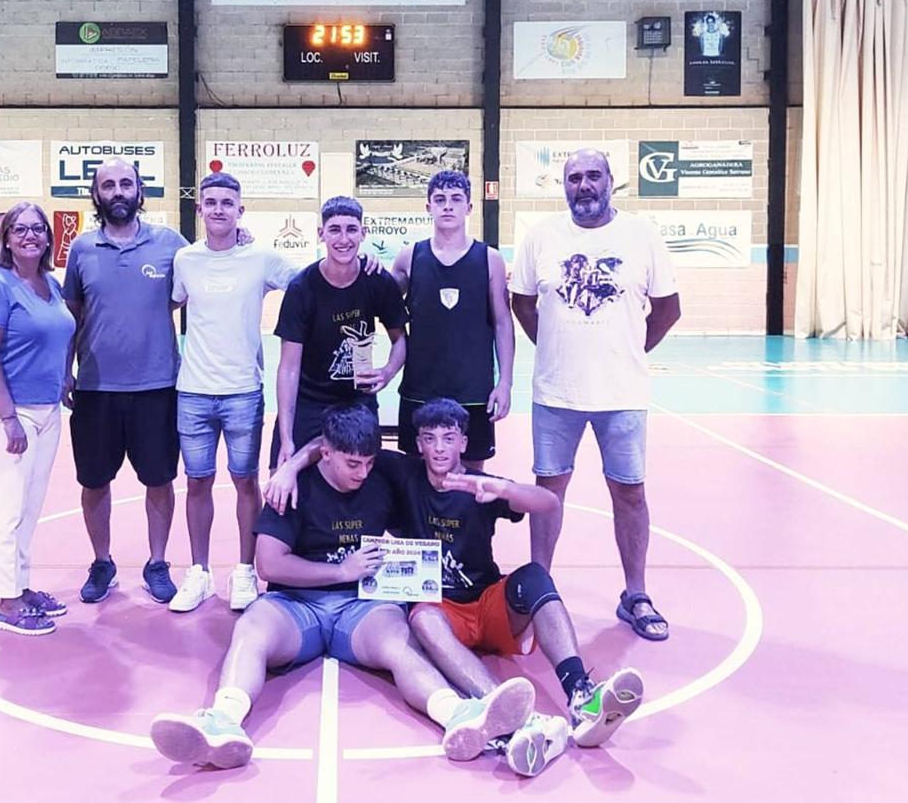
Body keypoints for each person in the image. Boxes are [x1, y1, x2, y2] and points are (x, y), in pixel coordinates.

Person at [267, 398, 644, 776]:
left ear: (464, 442)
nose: (439, 448)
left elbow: (548, 503)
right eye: (430, 438)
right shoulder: (401, 472)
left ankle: (581, 693)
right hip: (441, 611)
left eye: (449, 438)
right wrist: (290, 467)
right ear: (418, 444)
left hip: (486, 602)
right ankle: (501, 707)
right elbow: (333, 443)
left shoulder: (480, 485)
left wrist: (501, 488)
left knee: (535, 577)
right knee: (420, 618)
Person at [150, 404, 535, 770]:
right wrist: (340, 570)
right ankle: (223, 721)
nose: (362, 472)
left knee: (400, 641)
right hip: (295, 605)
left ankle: (458, 715)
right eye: (353, 464)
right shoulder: (293, 488)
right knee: (251, 628)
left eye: (369, 462)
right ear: (327, 454)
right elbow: (268, 563)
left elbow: (431, 489)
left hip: (362, 605)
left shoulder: (381, 477)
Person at [509, 148, 681, 641]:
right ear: (564, 186)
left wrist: (628, 349)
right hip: (556, 393)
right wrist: (556, 346)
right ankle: (539, 591)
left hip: (622, 393)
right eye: (574, 178)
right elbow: (522, 304)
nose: (583, 186)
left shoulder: (642, 236)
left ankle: (636, 594)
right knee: (548, 492)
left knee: (630, 492)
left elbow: (668, 310)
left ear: (610, 181)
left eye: (593, 176)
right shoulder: (541, 236)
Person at [167, 172, 295, 613]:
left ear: (241, 210)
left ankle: (244, 571)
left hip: (243, 390)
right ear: (199, 208)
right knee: (196, 481)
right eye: (211, 202)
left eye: (227, 203)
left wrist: (361, 260)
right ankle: (199, 572)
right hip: (193, 391)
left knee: (245, 481)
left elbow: (308, 281)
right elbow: (170, 301)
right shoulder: (185, 259)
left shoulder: (261, 259)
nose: (219, 209)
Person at [62, 158, 187, 606]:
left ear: (140, 192)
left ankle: (158, 563)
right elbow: (71, 316)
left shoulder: (170, 244)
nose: (118, 191)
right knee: (94, 481)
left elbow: (213, 267)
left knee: (159, 478)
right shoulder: (82, 249)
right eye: (109, 185)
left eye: (126, 184)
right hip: (96, 389)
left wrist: (241, 238)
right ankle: (102, 562)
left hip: (157, 387)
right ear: (96, 195)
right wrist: (64, 370)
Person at [0, 201, 76, 636]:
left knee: (30, 508)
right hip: (7, 412)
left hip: (47, 409)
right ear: (7, 239)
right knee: (9, 507)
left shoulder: (51, 284)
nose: (30, 235)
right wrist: (9, 418)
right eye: (20, 229)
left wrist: (64, 378)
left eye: (37, 229)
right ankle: (6, 603)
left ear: (48, 238)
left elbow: (59, 337)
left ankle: (21, 585)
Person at [272, 196, 407, 470]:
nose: (343, 239)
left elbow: (400, 339)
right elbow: (288, 368)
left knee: (360, 473)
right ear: (321, 234)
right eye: (334, 230)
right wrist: (286, 438)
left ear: (363, 233)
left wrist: (387, 372)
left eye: (351, 229)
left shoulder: (377, 281)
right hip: (310, 399)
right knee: (281, 473)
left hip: (357, 398)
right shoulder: (302, 288)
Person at [391, 170, 515, 469]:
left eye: (456, 199)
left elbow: (502, 323)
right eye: (440, 199)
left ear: (469, 207)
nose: (448, 206)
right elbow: (382, 305)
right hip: (420, 388)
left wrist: (505, 382)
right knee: (415, 475)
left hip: (474, 389)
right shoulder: (409, 257)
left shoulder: (490, 259)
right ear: (428, 207)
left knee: (471, 475)